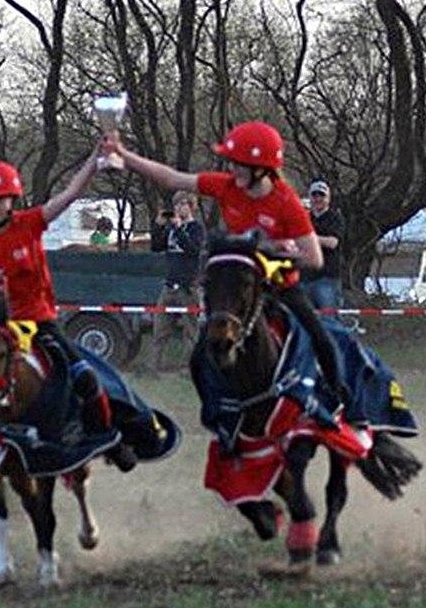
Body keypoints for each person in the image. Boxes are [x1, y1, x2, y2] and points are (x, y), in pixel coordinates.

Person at [0, 151, 135, 490]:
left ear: (12, 200)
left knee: (84, 375)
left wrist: (94, 159)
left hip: (39, 321)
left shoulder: (31, 222)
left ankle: (106, 437)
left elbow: (70, 196)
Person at [102, 121, 350, 404]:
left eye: (239, 165)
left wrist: (270, 252)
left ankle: (342, 402)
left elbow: (314, 258)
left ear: (262, 168)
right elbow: (172, 178)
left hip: (277, 284)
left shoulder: (286, 201)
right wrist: (124, 154)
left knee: (320, 335)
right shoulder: (227, 187)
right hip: (238, 285)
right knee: (203, 349)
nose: (233, 170)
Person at [150, 191, 205, 372]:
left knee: (190, 331)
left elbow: (192, 250)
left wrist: (180, 228)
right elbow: (156, 247)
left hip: (187, 286)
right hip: (169, 285)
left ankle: (186, 368)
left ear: (191, 207)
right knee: (159, 327)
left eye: (183, 204)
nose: (179, 208)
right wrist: (159, 227)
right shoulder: (171, 229)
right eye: (176, 205)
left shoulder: (196, 228)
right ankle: (154, 366)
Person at [300, 179, 345, 309]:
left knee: (328, 319)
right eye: (315, 195)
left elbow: (332, 242)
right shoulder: (303, 219)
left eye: (321, 195)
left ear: (328, 198)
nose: (318, 199)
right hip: (304, 277)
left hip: (327, 277)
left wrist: (309, 239)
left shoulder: (335, 218)